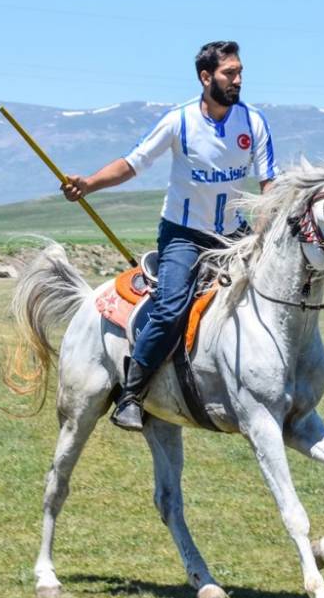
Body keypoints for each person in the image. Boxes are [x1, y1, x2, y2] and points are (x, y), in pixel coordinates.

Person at [61, 40, 279, 432]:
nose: (238, 80)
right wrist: (89, 183)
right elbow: (132, 164)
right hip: (184, 236)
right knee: (171, 306)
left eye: (241, 72)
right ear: (205, 76)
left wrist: (259, 240)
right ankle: (132, 394)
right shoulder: (178, 121)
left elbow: (269, 186)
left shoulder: (254, 122)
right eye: (230, 73)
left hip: (234, 235)